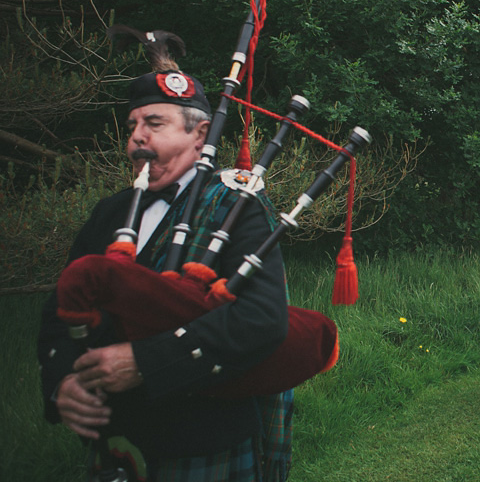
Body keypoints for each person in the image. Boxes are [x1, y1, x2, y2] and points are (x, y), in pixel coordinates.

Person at [37, 28, 293, 480]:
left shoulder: (235, 205)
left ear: (199, 135)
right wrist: (61, 383)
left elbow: (261, 319)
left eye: (154, 124)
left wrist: (146, 363)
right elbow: (60, 307)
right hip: (114, 440)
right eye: (133, 125)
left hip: (203, 437)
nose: (137, 138)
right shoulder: (109, 212)